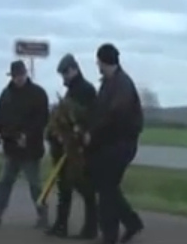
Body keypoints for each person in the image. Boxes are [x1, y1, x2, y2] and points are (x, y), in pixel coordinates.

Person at [85, 43, 144, 244]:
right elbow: (100, 113)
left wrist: (92, 134)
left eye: (98, 62)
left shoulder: (122, 85)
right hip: (110, 144)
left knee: (106, 189)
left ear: (103, 62)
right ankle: (131, 222)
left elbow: (113, 116)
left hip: (120, 144)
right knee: (107, 187)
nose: (97, 66)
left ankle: (110, 236)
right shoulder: (111, 82)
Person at [0, 60, 50, 228]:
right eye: (15, 76)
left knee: (35, 185)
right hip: (11, 148)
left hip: (30, 150)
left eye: (21, 75)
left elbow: (42, 119)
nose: (18, 78)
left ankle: (43, 217)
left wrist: (28, 136)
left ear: (26, 74)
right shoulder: (6, 94)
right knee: (4, 181)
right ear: (11, 76)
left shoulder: (38, 94)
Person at [45, 54, 98, 239]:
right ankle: (61, 225)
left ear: (75, 69)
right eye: (62, 74)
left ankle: (90, 228)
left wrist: (78, 132)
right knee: (65, 187)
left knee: (84, 188)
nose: (65, 77)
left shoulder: (86, 90)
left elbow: (89, 117)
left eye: (66, 72)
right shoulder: (72, 91)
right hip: (66, 147)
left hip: (78, 148)